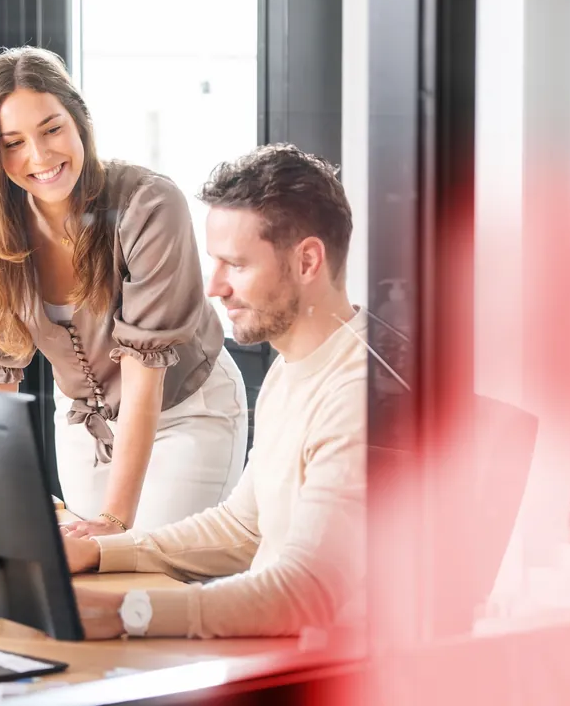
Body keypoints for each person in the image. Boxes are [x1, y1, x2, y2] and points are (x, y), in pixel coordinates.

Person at [63, 143, 367, 639]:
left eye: (237, 265)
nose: (215, 287)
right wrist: (101, 550)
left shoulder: (358, 396)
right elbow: (243, 528)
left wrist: (131, 614)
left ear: (308, 261)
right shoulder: (293, 368)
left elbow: (306, 591)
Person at [0, 46, 250, 535]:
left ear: (79, 121)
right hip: (84, 426)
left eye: (52, 129)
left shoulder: (148, 203)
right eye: (13, 143)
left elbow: (143, 368)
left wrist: (114, 519)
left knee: (149, 572)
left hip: (184, 410)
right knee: (83, 575)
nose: (40, 156)